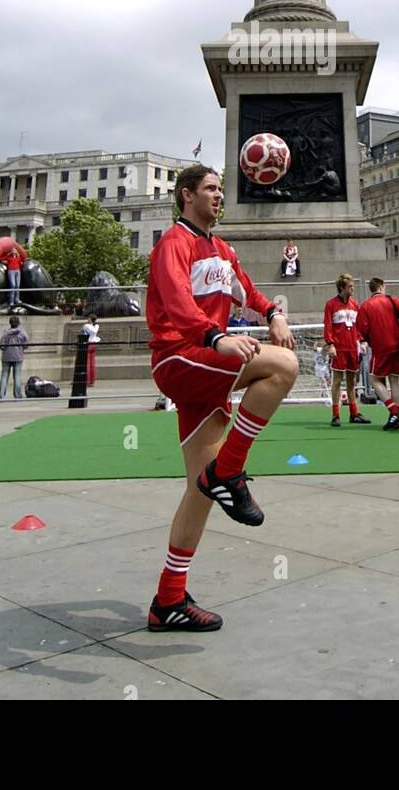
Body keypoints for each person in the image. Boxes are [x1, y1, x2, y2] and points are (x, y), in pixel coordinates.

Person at [146, 165, 297, 633]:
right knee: (284, 366)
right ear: (186, 195)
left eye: (219, 189)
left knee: (200, 492)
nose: (218, 196)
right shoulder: (174, 241)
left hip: (204, 363)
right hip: (180, 356)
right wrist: (216, 337)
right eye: (210, 189)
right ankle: (230, 471)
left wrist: (272, 312)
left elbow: (245, 291)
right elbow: (175, 303)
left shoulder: (222, 248)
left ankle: (168, 600)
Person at [355, 277, 399, 431]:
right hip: (397, 344)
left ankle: (394, 411)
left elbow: (361, 329)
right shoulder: (391, 300)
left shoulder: (366, 306)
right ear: (381, 287)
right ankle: (397, 417)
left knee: (375, 380)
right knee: (394, 380)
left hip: (380, 348)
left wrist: (366, 340)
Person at [323, 273, 371, 426]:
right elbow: (328, 326)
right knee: (337, 380)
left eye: (353, 286)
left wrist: (362, 341)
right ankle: (336, 414)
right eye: (350, 287)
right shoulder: (331, 305)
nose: (352, 289)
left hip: (352, 347)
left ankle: (354, 413)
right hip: (339, 347)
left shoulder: (355, 304)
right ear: (342, 287)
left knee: (352, 381)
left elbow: (359, 326)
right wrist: (330, 344)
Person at [0, 314, 29, 399]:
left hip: (7, 355)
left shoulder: (6, 333)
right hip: (18, 356)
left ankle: (1, 394)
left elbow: (1, 345)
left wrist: (5, 348)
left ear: (10, 323)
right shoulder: (22, 333)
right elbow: (26, 345)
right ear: (18, 323)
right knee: (17, 376)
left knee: (4, 375)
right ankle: (17, 394)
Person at [2, 242, 25, 309]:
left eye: (14, 250)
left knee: (17, 285)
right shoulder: (9, 257)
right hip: (11, 270)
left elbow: (22, 261)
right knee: (13, 285)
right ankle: (11, 300)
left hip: (17, 270)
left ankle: (17, 299)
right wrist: (8, 255)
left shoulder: (18, 257)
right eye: (12, 250)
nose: (13, 251)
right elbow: (2, 260)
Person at [82, 313, 100, 387]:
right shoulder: (96, 326)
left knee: (87, 363)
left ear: (90, 319)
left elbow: (84, 332)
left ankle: (87, 380)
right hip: (94, 344)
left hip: (88, 344)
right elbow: (94, 332)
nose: (87, 319)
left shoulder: (86, 326)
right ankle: (92, 380)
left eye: (88, 318)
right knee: (92, 363)